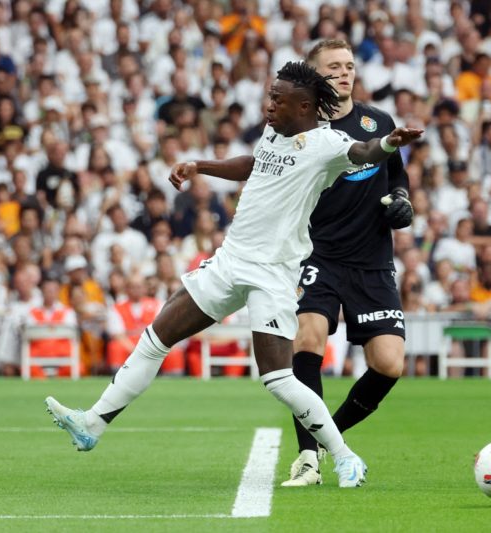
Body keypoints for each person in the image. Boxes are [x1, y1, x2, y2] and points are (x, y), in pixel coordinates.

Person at [44, 61, 423, 489]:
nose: (269, 105)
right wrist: (199, 165)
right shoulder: (273, 133)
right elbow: (253, 163)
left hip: (272, 274)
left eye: (278, 100)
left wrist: (390, 142)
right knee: (156, 338)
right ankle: (92, 423)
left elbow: (365, 153)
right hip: (230, 261)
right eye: (270, 97)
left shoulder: (327, 144)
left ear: (304, 105)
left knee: (278, 379)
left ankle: (343, 456)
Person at [282, 40, 415, 487]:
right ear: (315, 76)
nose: (344, 73)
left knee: (389, 363)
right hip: (315, 254)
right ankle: (306, 457)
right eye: (333, 67)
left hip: (372, 260)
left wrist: (401, 202)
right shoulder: (298, 130)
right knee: (308, 337)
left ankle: (327, 437)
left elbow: (397, 177)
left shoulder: (378, 122)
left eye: (349, 66)